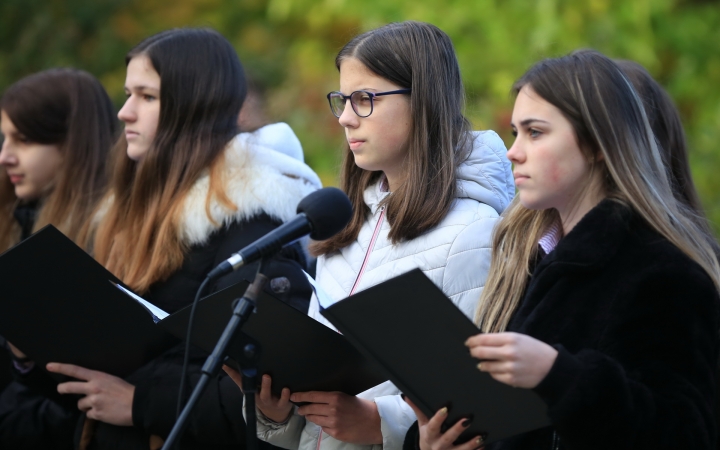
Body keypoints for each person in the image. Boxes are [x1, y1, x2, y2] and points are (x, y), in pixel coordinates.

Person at [405, 49, 720, 450]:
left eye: (535, 132)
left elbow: (684, 434)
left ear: (597, 143)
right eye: (516, 132)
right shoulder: (538, 260)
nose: (513, 151)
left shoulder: (665, 272)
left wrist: (560, 375)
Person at [226, 21, 514, 450]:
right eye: (342, 100)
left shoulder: (473, 232)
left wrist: (381, 422)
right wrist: (280, 412)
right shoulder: (346, 227)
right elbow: (323, 405)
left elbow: (480, 398)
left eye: (365, 100)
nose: (344, 117)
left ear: (424, 100)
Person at [30, 28, 321, 450]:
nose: (124, 113)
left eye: (146, 97)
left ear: (193, 106)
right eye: (128, 95)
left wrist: (140, 401)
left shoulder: (251, 222)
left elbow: (267, 385)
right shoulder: (122, 213)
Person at [0, 67, 117, 449]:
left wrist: (26, 360)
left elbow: (79, 393)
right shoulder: (17, 218)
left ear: (71, 143)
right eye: (4, 139)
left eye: (24, 140)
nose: (5, 156)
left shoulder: (108, 237)